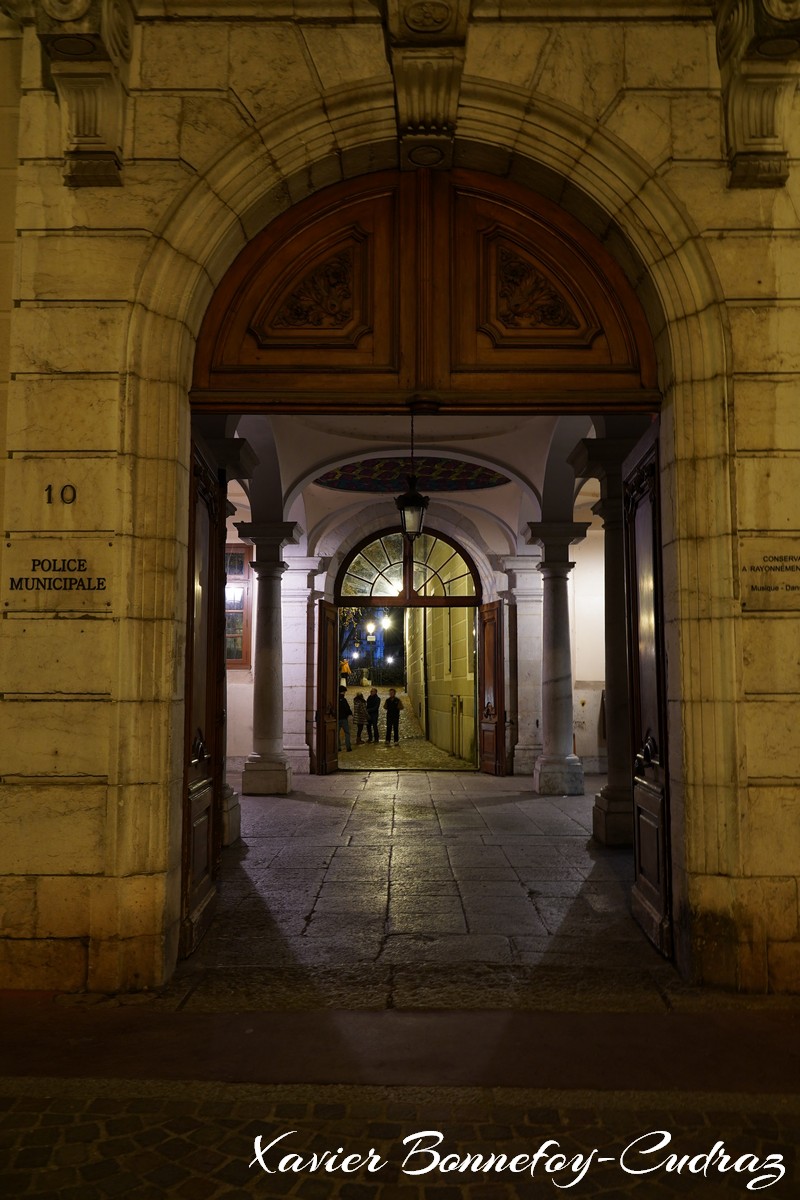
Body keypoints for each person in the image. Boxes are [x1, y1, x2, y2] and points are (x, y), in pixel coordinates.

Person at [338, 686, 352, 751]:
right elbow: (347, 709)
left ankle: (338, 747)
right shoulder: (344, 700)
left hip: (337, 719)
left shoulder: (335, 699)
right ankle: (348, 747)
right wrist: (350, 714)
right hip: (344, 719)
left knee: (336, 733)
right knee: (347, 733)